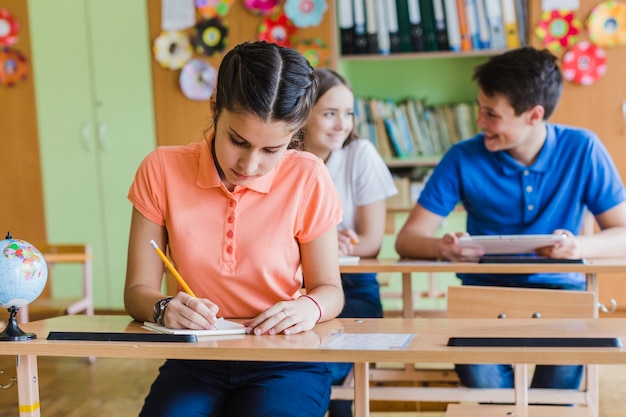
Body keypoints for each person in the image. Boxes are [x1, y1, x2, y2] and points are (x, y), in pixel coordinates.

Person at [124, 41, 345, 417]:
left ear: (293, 137)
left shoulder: (308, 176)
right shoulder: (160, 169)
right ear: (214, 107)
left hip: (286, 360)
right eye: (237, 140)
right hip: (196, 359)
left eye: (272, 150)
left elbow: (331, 291)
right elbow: (135, 294)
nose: (249, 163)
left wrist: (308, 307)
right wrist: (163, 308)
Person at [395, 46, 626, 390]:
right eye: (480, 109)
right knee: (482, 381)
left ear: (534, 115)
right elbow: (407, 239)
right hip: (482, 296)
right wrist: (445, 248)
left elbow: (622, 232)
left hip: (561, 294)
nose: (480, 122)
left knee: (560, 385)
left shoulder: (583, 148)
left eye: (492, 114)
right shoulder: (462, 157)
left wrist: (577, 245)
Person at [301, 68, 397, 417]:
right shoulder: (282, 155)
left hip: (353, 286)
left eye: (349, 113)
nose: (342, 124)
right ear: (303, 112)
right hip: (293, 287)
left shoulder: (361, 154)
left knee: (331, 365)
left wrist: (321, 245)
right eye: (329, 113)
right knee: (295, 359)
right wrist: (325, 242)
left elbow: (371, 241)